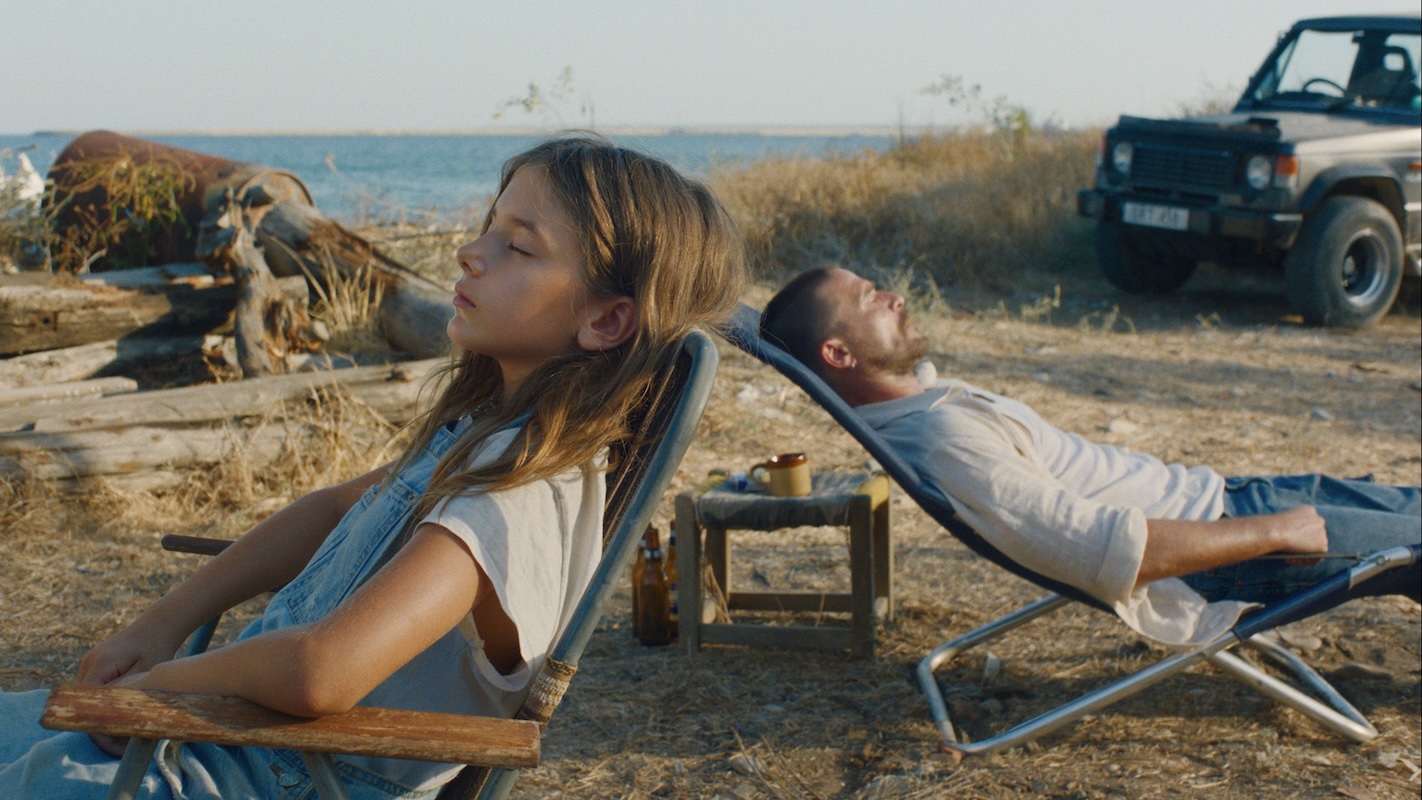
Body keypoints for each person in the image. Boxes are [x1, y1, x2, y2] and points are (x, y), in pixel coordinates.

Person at [0, 135, 745, 799]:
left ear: (605, 319)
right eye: (489, 226)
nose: (470, 251)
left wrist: (163, 688)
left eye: (518, 247)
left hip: (250, 775)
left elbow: (321, 671)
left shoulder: (512, 493)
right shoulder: (483, 433)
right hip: (222, 740)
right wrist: (160, 624)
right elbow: (330, 510)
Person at [761, 265, 1419, 646]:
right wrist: (1274, 532)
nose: (894, 297)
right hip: (1227, 553)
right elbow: (1102, 550)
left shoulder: (922, 403)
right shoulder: (945, 441)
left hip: (1228, 502)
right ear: (838, 354)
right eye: (870, 299)